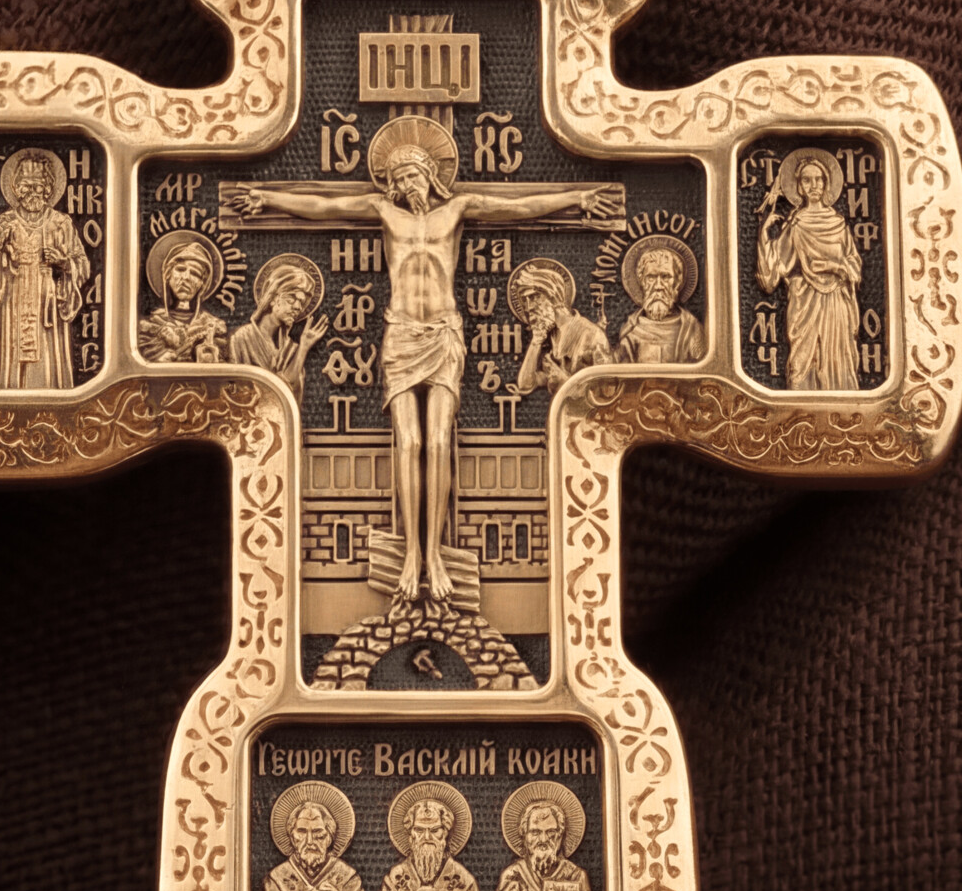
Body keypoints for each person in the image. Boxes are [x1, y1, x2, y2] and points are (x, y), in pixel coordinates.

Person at [230, 122, 619, 602]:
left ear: (431, 175)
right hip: (400, 336)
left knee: (437, 442)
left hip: (443, 334)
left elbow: (518, 207)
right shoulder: (384, 212)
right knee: (408, 442)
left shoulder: (456, 209)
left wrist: (577, 198)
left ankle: (434, 554)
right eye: (398, 179)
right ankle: (411, 554)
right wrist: (266, 198)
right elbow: (324, 206)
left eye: (412, 175)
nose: (405, 184)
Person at [0, 148, 90, 389]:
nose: (32, 192)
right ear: (15, 188)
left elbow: (83, 266)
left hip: (48, 304)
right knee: (14, 364)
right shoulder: (5, 223)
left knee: (48, 364)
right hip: (13, 301)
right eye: (26, 186)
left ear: (48, 189)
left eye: (38, 186)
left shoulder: (61, 224)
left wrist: (64, 263)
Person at [756, 153, 862, 388]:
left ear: (826, 183)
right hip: (805, 303)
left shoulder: (839, 225)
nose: (814, 185)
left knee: (837, 362)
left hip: (836, 303)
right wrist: (764, 236)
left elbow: (854, 267)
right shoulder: (796, 225)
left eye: (818, 179)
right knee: (802, 366)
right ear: (799, 187)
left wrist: (836, 267)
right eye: (807, 180)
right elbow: (772, 276)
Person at [509, 258, 610, 396]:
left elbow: (607, 391)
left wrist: (564, 381)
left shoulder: (592, 335)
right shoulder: (550, 340)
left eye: (533, 297)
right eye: (526, 301)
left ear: (553, 295)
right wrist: (536, 341)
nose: (529, 307)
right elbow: (525, 384)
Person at [227, 253, 329, 382]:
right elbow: (232, 384)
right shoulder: (241, 339)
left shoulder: (290, 348)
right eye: (292, 298)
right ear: (272, 298)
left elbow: (289, 388)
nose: (298, 307)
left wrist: (304, 346)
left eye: (302, 303)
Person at [136, 230, 229, 364]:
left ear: (202, 284)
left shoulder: (214, 327)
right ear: (167, 275)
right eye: (180, 269)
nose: (186, 278)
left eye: (195, 273)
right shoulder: (149, 326)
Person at [613, 236, 706, 365]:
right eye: (651, 277)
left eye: (666, 277)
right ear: (642, 282)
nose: (658, 286)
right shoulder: (631, 330)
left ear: (677, 282)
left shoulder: (691, 329)